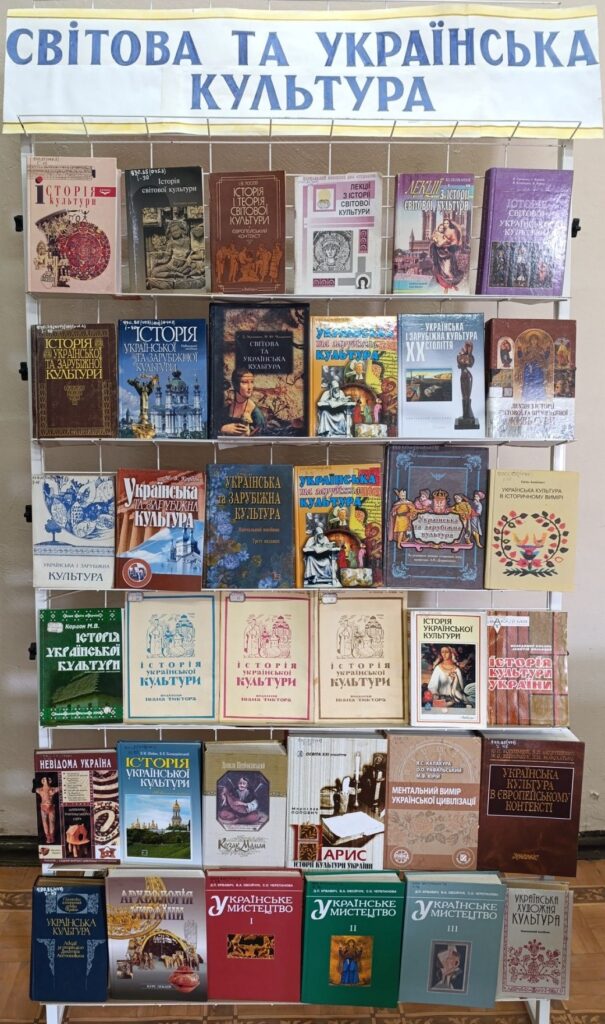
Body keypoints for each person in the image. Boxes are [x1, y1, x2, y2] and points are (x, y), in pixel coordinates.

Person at [220, 368, 265, 436]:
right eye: (245, 382)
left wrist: (248, 434)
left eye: (252, 382)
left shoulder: (256, 414)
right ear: (236, 384)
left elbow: (262, 438)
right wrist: (223, 429)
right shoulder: (227, 409)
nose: (249, 387)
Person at [430, 218, 464, 291]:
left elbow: (451, 242)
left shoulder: (445, 234)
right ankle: (447, 286)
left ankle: (452, 285)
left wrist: (447, 242)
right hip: (439, 255)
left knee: (447, 271)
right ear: (438, 228)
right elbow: (438, 244)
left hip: (446, 254)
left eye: (443, 228)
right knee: (442, 272)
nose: (442, 228)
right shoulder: (435, 235)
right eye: (441, 227)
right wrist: (444, 241)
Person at [35, 776, 60, 844]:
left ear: (50, 781)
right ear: (42, 782)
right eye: (44, 779)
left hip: (51, 807)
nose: (46, 781)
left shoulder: (53, 789)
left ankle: (51, 837)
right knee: (45, 822)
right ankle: (48, 837)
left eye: (47, 780)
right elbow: (34, 789)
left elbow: (60, 788)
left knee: (51, 822)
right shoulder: (40, 790)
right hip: (43, 807)